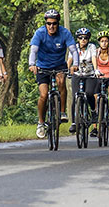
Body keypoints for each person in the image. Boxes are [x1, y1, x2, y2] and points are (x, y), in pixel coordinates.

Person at [28, 9, 79, 139]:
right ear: (46, 23)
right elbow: (33, 50)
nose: (51, 26)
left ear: (58, 23)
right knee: (43, 95)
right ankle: (40, 122)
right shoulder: (40, 33)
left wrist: (75, 64)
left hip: (59, 65)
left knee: (61, 81)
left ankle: (62, 112)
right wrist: (32, 64)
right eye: (49, 23)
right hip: (42, 66)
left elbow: (73, 50)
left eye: (54, 23)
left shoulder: (64, 33)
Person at [68, 27, 98, 134]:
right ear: (77, 39)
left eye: (85, 38)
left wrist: (96, 70)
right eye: (80, 38)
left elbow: (94, 58)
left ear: (88, 39)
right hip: (77, 74)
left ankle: (93, 112)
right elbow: (70, 60)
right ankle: (74, 122)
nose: (83, 40)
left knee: (89, 93)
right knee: (75, 97)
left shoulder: (92, 47)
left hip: (89, 74)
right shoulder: (74, 48)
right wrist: (66, 70)